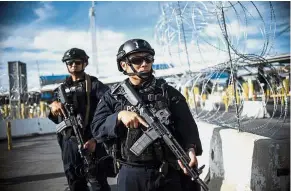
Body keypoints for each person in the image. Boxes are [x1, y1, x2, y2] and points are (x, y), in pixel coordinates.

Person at [88, 39, 203, 191]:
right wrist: (119, 116)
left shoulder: (167, 92)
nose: (144, 63)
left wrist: (190, 149)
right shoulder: (113, 97)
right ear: (124, 65)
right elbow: (97, 128)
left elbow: (187, 126)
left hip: (168, 172)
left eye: (148, 58)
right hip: (132, 174)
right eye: (137, 60)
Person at [48, 48, 111, 191]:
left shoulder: (95, 85)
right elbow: (53, 115)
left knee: (98, 180)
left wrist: (97, 139)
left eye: (77, 62)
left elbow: (110, 106)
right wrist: (53, 106)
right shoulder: (60, 90)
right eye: (69, 63)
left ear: (85, 63)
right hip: (69, 142)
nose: (73, 65)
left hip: (91, 139)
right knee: (74, 181)